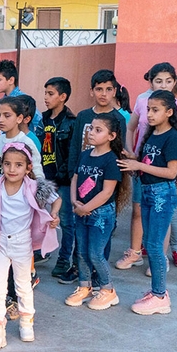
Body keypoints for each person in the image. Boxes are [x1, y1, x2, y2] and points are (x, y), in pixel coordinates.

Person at [0, 144, 60, 352]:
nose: (12, 169)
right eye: (7, 164)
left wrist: (54, 216)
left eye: (18, 165)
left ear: (28, 167)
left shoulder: (33, 187)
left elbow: (56, 200)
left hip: (23, 243)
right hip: (0, 243)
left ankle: (26, 324)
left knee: (23, 284)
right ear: (1, 165)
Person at [119, 64, 177, 274]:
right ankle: (135, 252)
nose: (164, 85)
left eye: (168, 81)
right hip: (140, 167)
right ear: (150, 82)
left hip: (163, 172)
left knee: (163, 215)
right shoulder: (143, 102)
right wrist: (132, 152)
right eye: (158, 81)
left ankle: (159, 259)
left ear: (174, 82)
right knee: (138, 210)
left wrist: (175, 162)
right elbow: (131, 127)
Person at [117, 90, 177, 315]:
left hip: (161, 194)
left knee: (155, 245)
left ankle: (160, 295)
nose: (149, 114)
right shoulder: (151, 133)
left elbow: (171, 172)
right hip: (147, 191)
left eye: (155, 110)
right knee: (150, 242)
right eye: (148, 110)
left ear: (169, 112)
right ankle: (156, 292)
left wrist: (139, 166)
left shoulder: (172, 136)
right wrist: (132, 160)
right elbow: (148, 161)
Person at [64, 115, 129, 311]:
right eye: (91, 129)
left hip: (101, 214)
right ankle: (85, 286)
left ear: (111, 136)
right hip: (81, 210)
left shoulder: (111, 160)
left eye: (98, 130)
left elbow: (107, 192)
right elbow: (75, 177)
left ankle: (108, 290)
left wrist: (86, 207)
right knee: (82, 252)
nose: (91, 133)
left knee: (95, 253)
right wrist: (75, 200)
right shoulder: (85, 154)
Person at [37, 77, 77, 281]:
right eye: (45, 93)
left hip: (61, 181)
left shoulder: (71, 122)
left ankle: (64, 259)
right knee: (37, 217)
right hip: (42, 178)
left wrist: (63, 176)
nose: (46, 97)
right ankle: (39, 250)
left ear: (63, 97)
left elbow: (72, 154)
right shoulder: (42, 120)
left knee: (66, 222)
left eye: (50, 94)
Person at [0, 96, 44, 179]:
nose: (1, 120)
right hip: (2, 189)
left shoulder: (27, 142)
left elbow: (37, 172)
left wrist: (34, 189)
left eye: (7, 115)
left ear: (19, 118)